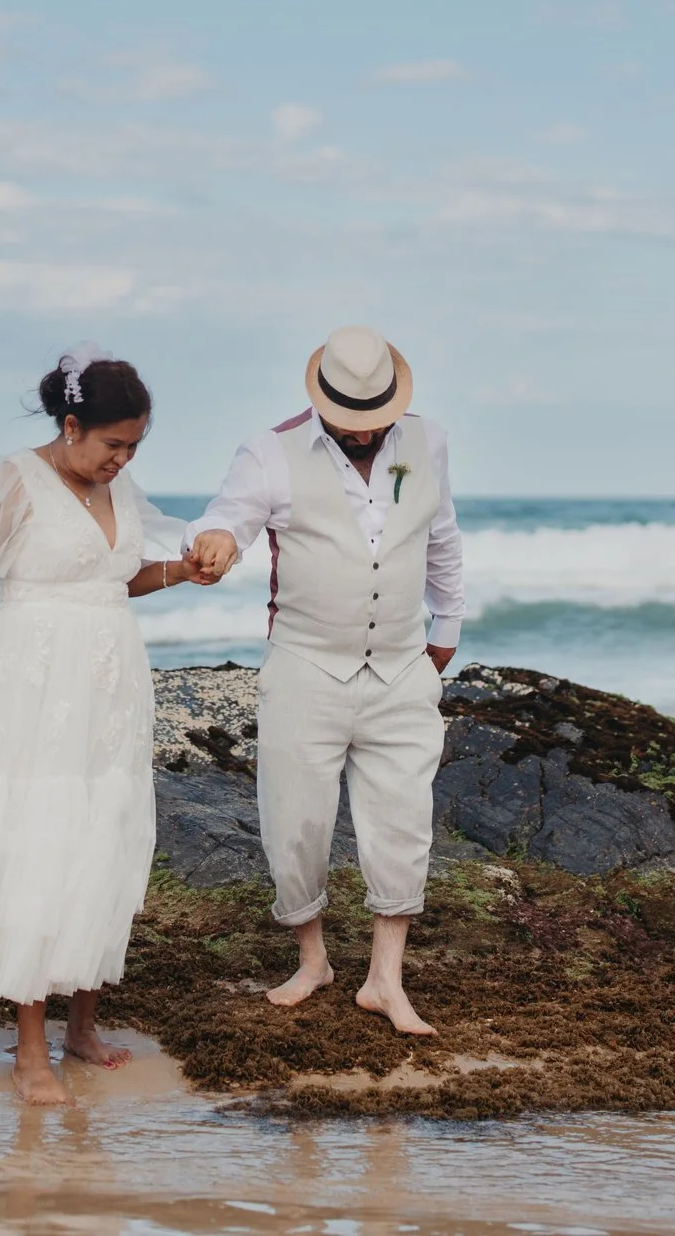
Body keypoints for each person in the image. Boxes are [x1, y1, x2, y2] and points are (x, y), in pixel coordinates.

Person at [0, 343, 217, 1105]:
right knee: (39, 842)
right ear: (71, 424)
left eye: (134, 447)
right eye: (112, 444)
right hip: (32, 681)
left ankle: (82, 1027)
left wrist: (180, 571)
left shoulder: (116, 489)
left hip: (111, 686)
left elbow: (117, 579)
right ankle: (30, 1048)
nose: (123, 460)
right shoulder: (14, 479)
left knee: (100, 837)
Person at [185, 325, 464, 1036]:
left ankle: (385, 979)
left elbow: (442, 537)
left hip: (402, 663)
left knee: (403, 823)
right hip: (307, 662)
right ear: (323, 402)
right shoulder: (270, 453)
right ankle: (313, 961)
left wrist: (446, 629)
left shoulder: (427, 442)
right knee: (297, 824)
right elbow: (231, 516)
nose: (368, 432)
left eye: (378, 418)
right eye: (354, 420)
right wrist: (213, 540)